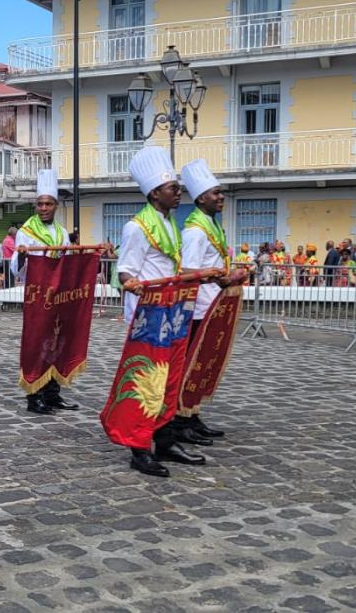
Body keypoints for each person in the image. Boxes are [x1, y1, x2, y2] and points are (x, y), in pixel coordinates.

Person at [119, 146, 205, 477]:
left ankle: (165, 441)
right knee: (146, 383)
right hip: (149, 317)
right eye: (173, 188)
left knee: (170, 381)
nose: (179, 192)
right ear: (155, 193)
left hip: (174, 312)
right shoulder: (137, 227)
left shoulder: (169, 224)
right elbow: (126, 271)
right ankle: (139, 449)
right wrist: (132, 283)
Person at [178, 159, 243, 445]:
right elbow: (188, 273)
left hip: (212, 305)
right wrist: (222, 278)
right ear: (201, 198)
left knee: (204, 365)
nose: (221, 197)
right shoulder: (195, 231)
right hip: (197, 308)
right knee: (190, 367)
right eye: (215, 193)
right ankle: (181, 420)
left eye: (221, 192)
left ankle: (192, 414)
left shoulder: (212, 227)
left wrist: (224, 276)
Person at [11, 168, 80, 416]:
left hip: (59, 296)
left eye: (48, 204)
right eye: (39, 204)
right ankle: (34, 395)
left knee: (57, 344)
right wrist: (20, 256)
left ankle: (53, 394)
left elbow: (69, 260)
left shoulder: (61, 232)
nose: (43, 208)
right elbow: (16, 269)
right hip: (38, 296)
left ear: (56, 205)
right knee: (36, 344)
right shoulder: (26, 232)